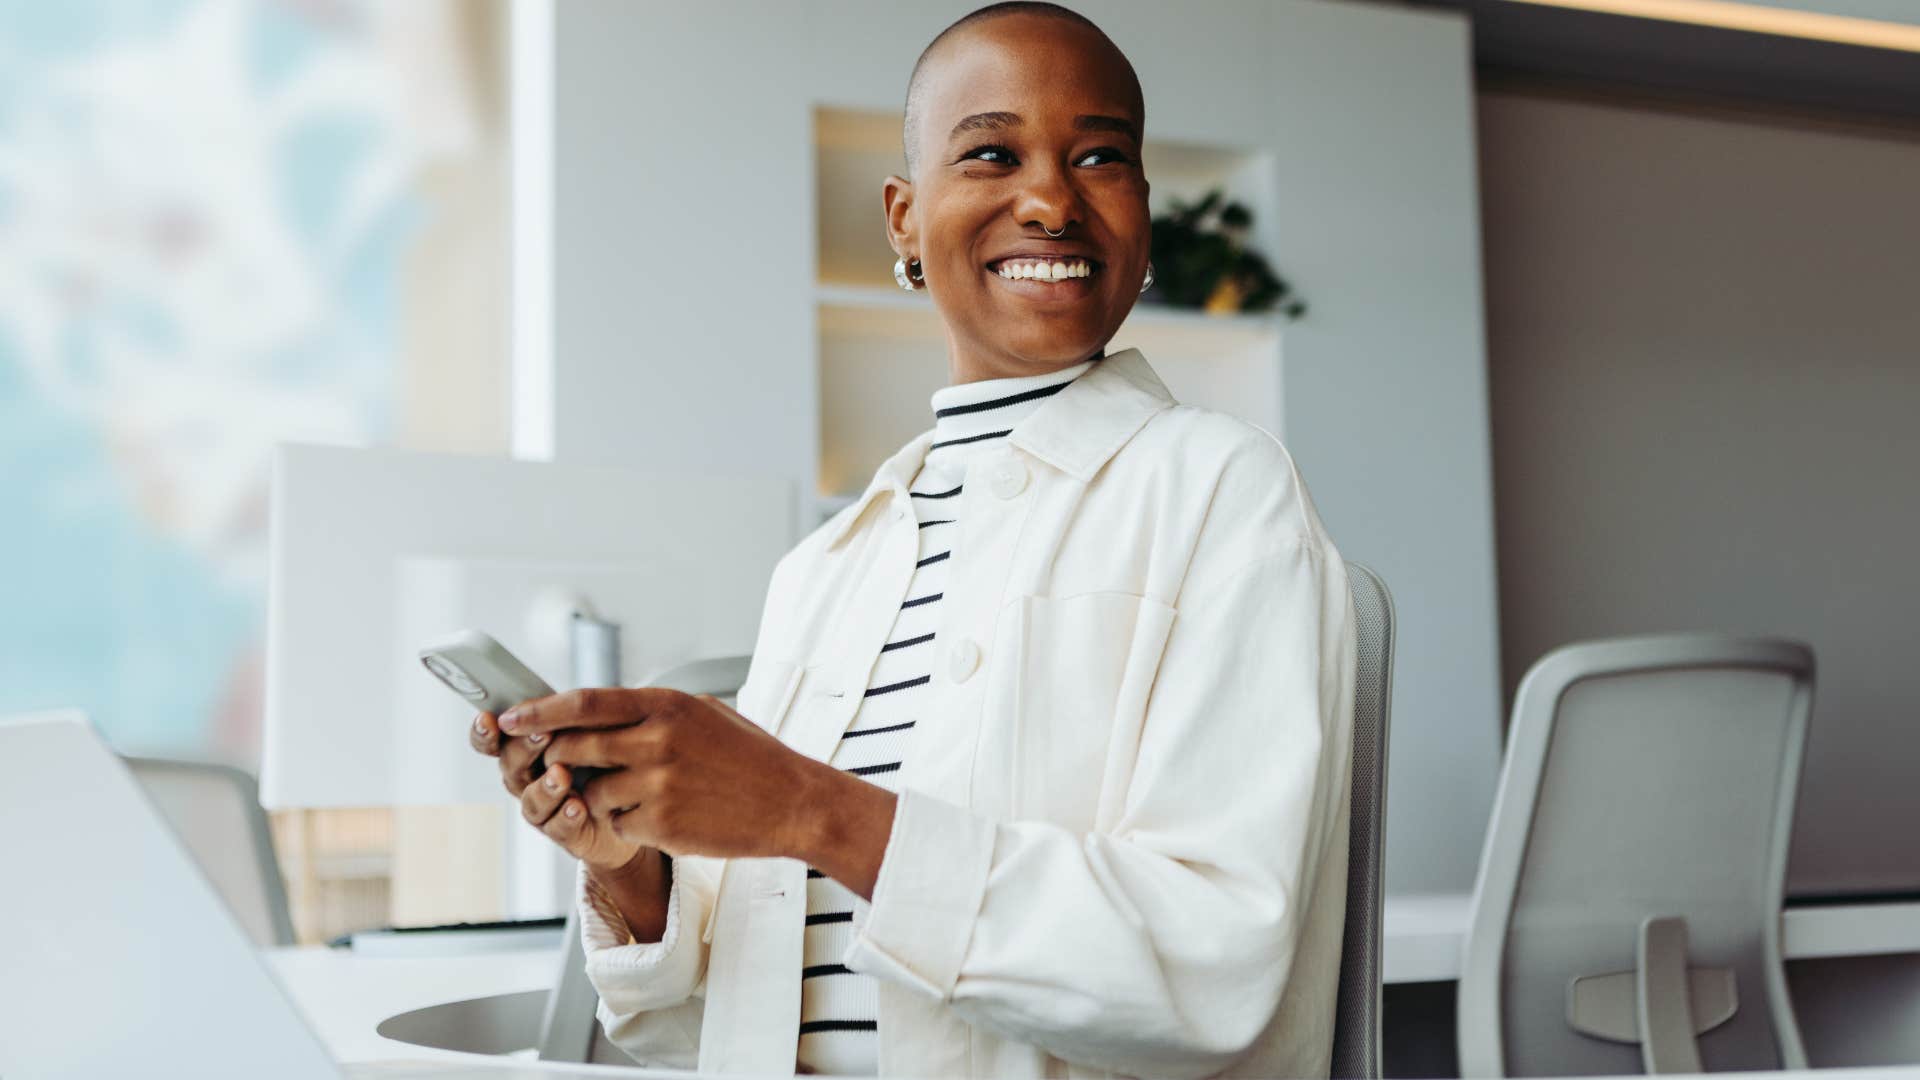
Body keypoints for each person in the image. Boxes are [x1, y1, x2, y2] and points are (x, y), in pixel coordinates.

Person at [468, 4, 1356, 1076]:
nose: (1050, 200)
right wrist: (633, 871)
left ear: (1144, 210)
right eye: (991, 153)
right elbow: (713, 1033)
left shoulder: (1219, 486)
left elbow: (1214, 967)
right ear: (903, 215)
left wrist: (808, 809)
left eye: (1100, 158)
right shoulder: (822, 573)